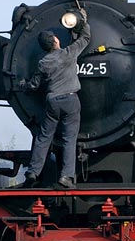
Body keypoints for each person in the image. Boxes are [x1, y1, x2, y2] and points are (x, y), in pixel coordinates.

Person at [19, 12, 91, 189]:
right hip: (70, 100)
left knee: (44, 138)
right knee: (69, 139)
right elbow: (85, 38)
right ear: (56, 41)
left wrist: (23, 84)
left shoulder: (43, 63)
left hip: (52, 101)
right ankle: (66, 177)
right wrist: (83, 22)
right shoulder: (68, 53)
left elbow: (33, 85)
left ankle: (33, 172)